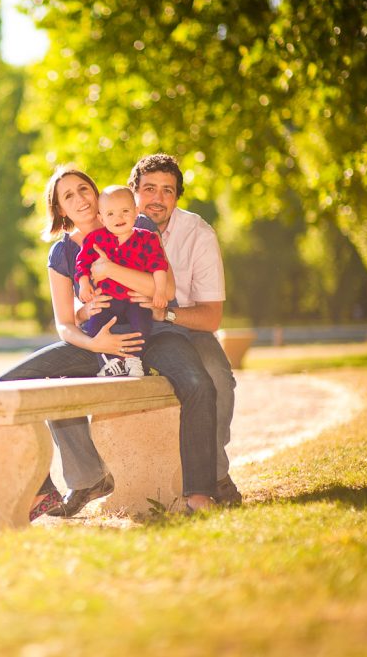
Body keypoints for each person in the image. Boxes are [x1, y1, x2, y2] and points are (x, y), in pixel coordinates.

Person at [0, 165, 217, 520]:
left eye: (83, 189)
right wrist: (97, 341)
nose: (80, 199)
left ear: (96, 194)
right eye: (68, 196)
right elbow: (65, 325)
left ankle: (200, 492)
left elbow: (168, 290)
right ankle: (49, 489)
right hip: (98, 343)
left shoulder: (135, 224)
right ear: (60, 210)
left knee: (197, 382)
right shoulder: (61, 254)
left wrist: (111, 271)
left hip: (155, 333)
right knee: (6, 385)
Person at [121, 153, 241, 505]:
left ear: (176, 197)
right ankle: (94, 477)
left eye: (167, 191)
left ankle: (215, 475)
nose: (157, 199)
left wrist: (167, 316)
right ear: (134, 191)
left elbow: (211, 317)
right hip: (130, 328)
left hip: (185, 325)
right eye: (149, 189)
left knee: (217, 376)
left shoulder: (198, 234)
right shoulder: (113, 224)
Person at [75, 185, 170, 378]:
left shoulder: (147, 238)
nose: (118, 218)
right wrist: (84, 283)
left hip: (135, 299)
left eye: (125, 211)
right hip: (108, 299)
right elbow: (82, 262)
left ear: (136, 212)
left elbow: (159, 266)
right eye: (110, 214)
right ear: (101, 218)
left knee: (142, 323)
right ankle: (112, 362)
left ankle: (134, 359)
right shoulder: (96, 239)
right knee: (95, 325)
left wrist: (159, 291)